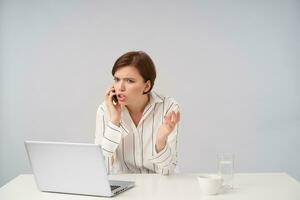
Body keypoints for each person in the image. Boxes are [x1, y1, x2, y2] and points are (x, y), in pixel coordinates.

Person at [95, 51, 180, 175]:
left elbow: (167, 172)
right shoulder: (105, 110)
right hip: (124, 185)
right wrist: (114, 121)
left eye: (129, 81)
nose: (120, 87)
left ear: (146, 86)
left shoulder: (168, 107)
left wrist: (160, 142)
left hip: (159, 185)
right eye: (117, 79)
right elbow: (101, 169)